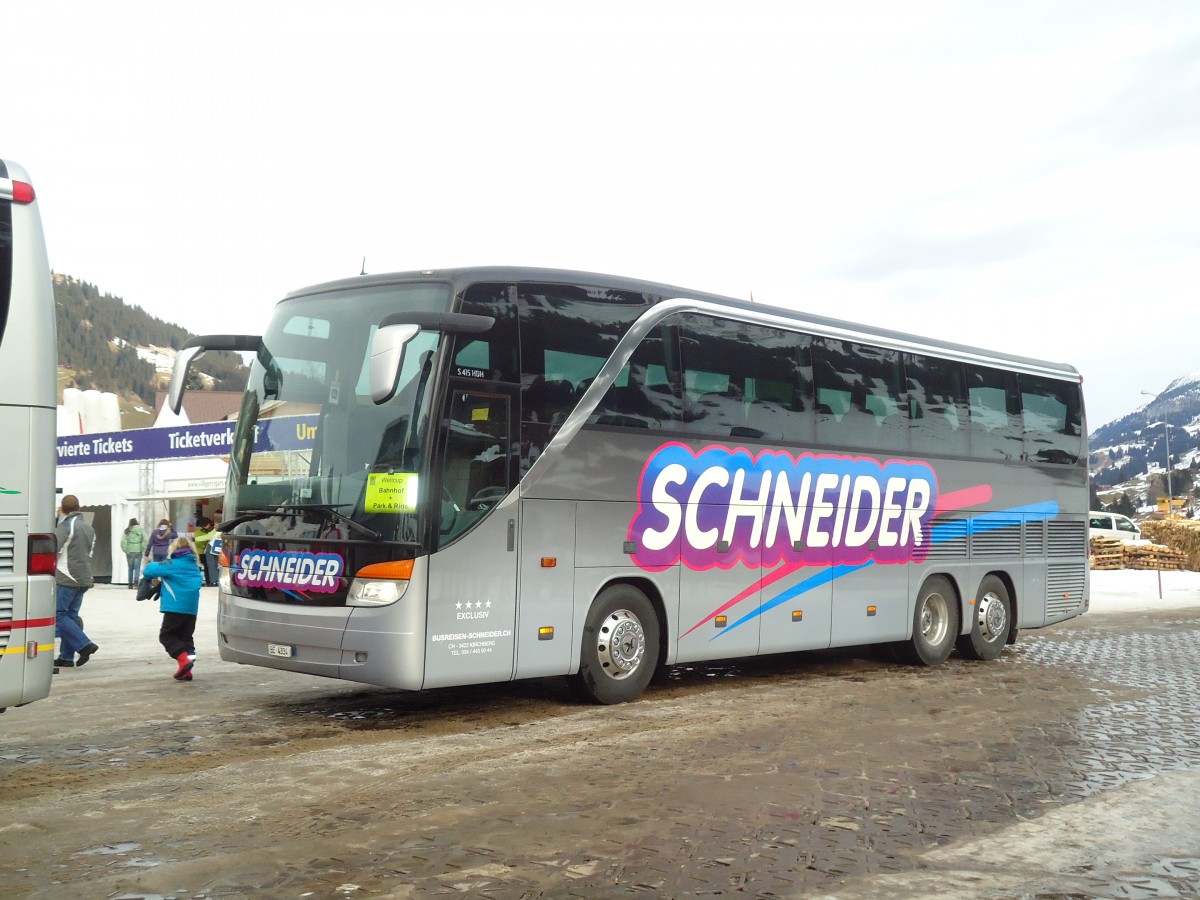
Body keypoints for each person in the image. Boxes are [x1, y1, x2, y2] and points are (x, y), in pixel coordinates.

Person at [142, 535, 202, 681]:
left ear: (174, 548)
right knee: (186, 638)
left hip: (175, 607)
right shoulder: (194, 565)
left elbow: (148, 570)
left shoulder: (172, 563)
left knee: (167, 636)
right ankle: (186, 670)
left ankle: (183, 661)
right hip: (191, 609)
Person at [54, 495, 99, 669]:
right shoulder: (89, 528)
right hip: (84, 577)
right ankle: (66, 657)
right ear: (79, 508)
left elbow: (54, 549)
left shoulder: (66, 526)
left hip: (67, 576)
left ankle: (85, 645)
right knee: (71, 617)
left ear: (62, 509)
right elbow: (89, 553)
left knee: (59, 614)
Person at [119, 517, 148, 588]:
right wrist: (142, 548)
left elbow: (122, 541)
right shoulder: (141, 529)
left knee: (130, 568)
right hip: (138, 550)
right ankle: (136, 584)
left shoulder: (127, 530)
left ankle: (130, 584)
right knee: (137, 568)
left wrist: (125, 549)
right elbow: (146, 539)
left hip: (129, 550)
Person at [193, 517, 216, 587]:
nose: (208, 526)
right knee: (206, 567)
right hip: (202, 552)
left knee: (209, 567)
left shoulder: (210, 530)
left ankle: (210, 581)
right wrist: (205, 544)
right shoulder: (199, 531)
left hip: (209, 551)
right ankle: (208, 581)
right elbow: (198, 541)